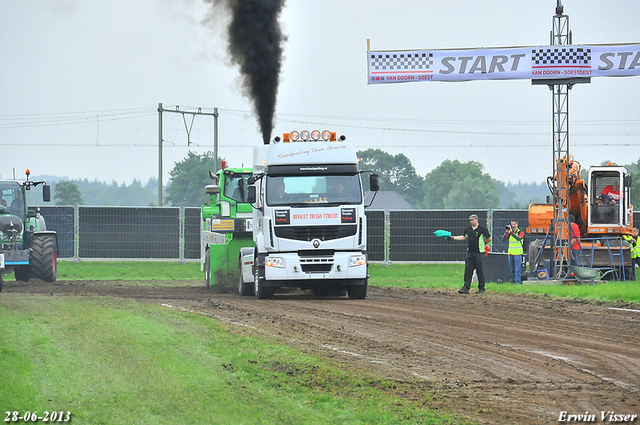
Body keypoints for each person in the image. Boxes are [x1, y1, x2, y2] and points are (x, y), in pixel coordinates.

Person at [450, 214, 492, 294]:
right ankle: (466, 287)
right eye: (470, 220)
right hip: (470, 253)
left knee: (480, 271)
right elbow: (463, 237)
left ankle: (481, 288)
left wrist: (483, 244)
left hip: (479, 253)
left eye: (472, 220)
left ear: (476, 219)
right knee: (468, 270)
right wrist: (453, 237)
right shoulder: (468, 229)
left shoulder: (482, 229)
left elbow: (489, 238)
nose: (471, 221)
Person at [504, 219, 524, 284]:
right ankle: (513, 281)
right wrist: (507, 232)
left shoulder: (520, 232)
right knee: (512, 269)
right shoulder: (509, 233)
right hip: (511, 253)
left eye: (514, 224)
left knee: (517, 270)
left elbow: (518, 238)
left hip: (518, 253)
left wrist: (511, 232)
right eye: (512, 224)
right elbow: (503, 239)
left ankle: (518, 282)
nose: (513, 225)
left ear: (517, 224)